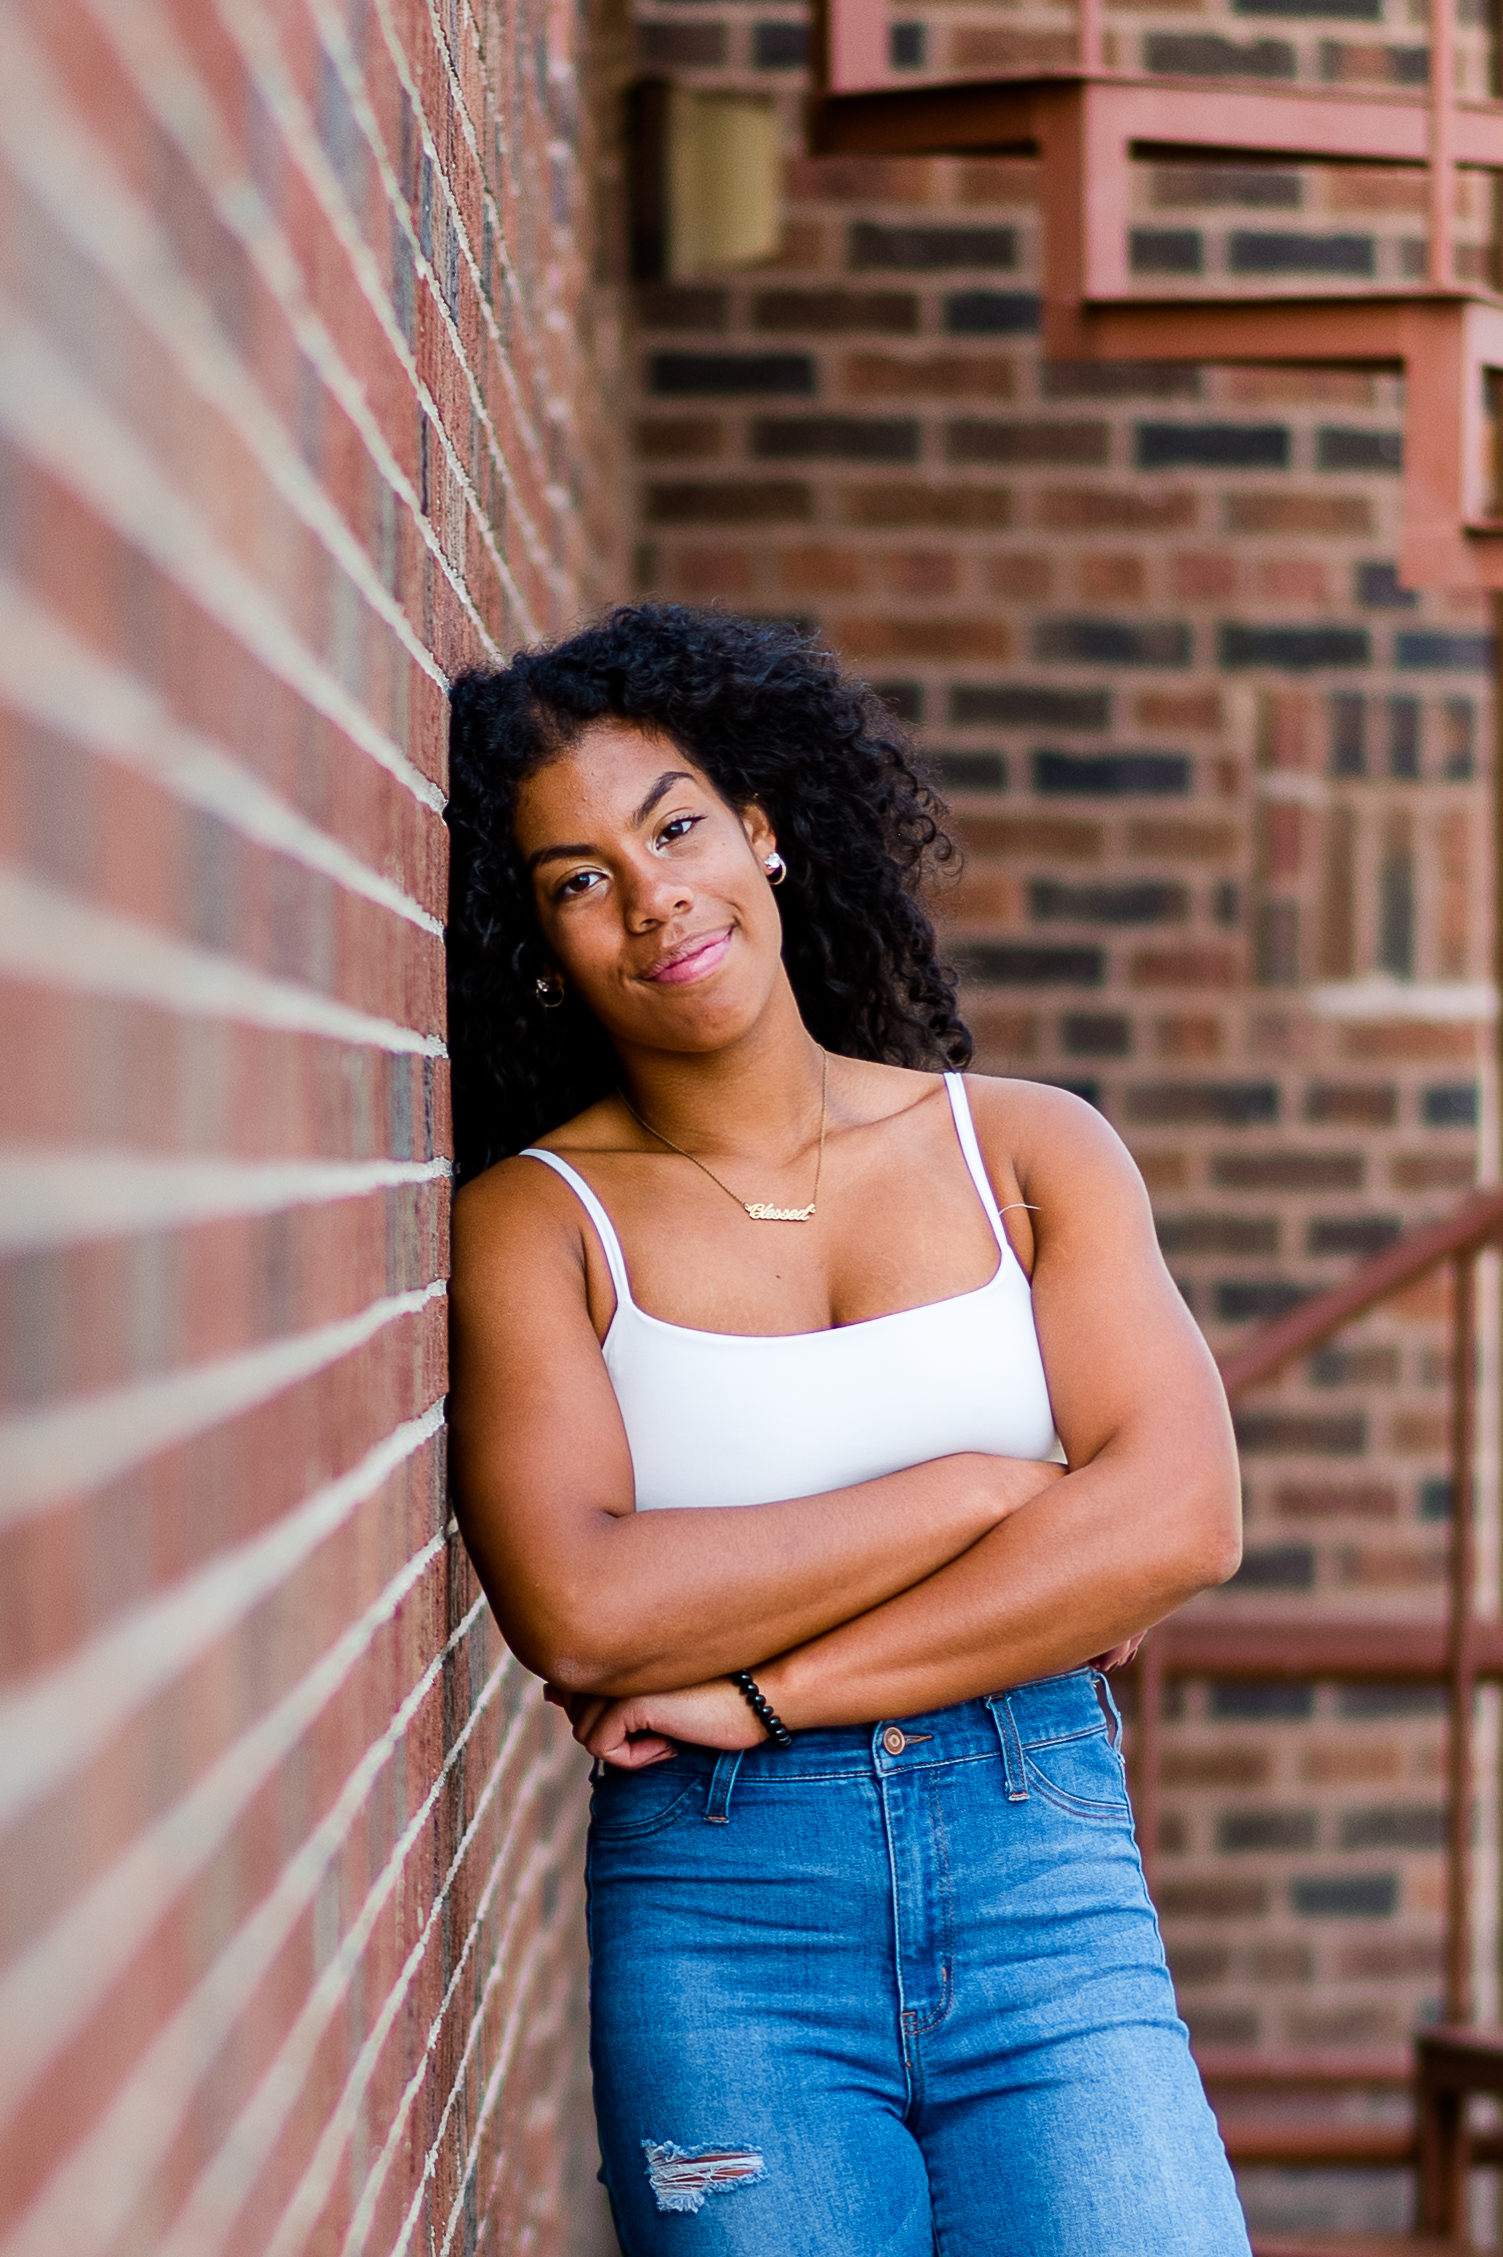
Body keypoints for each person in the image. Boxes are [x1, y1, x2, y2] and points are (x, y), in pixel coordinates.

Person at [446, 605, 1251, 2257]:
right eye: (577, 879)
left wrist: (768, 1688)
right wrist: (975, 1490)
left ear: (761, 828)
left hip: (1045, 1888)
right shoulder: (541, 1221)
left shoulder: (1028, 1148)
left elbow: (1179, 1519)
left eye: (674, 824)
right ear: (545, 946)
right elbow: (582, 1605)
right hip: (726, 1919)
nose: (652, 893)